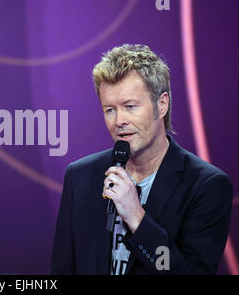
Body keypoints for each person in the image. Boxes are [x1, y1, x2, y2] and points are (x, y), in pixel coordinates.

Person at [50, 44, 233, 275]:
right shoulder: (80, 176)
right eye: (110, 110)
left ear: (162, 104)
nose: (119, 121)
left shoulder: (206, 186)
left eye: (130, 106)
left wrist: (136, 217)